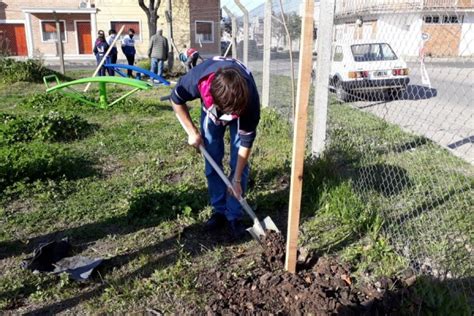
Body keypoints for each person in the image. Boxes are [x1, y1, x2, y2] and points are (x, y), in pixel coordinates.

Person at [170, 57, 260, 239]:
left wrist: (235, 181)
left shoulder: (250, 101)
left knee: (238, 165)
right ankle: (218, 211)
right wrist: (192, 131)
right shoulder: (196, 81)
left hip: (241, 105)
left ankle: (234, 215)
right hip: (212, 105)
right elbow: (175, 99)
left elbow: (245, 144)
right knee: (212, 156)